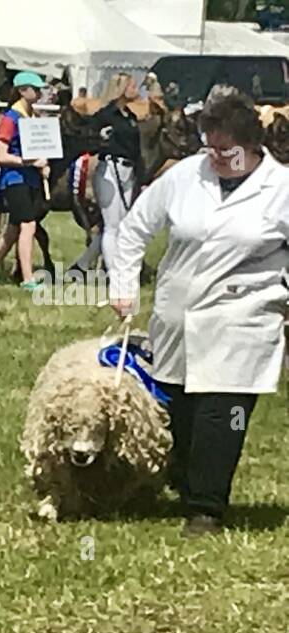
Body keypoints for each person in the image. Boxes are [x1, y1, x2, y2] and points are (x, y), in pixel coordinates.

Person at [109, 93, 289, 537]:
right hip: (178, 314)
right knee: (181, 409)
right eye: (210, 146)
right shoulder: (186, 175)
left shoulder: (281, 189)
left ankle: (207, 507)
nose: (216, 157)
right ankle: (185, 483)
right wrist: (124, 286)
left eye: (226, 150)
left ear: (252, 146)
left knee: (224, 411)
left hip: (244, 316)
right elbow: (134, 229)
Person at [0, 72, 49, 289]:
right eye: (35, 89)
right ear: (22, 91)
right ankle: (28, 278)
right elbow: (1, 155)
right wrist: (29, 163)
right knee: (28, 225)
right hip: (14, 179)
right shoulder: (11, 119)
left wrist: (43, 163)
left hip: (30, 180)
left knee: (14, 228)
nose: (40, 92)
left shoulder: (33, 117)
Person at [89, 73, 143, 278]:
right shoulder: (106, 115)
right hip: (111, 169)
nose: (136, 89)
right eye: (131, 85)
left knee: (121, 223)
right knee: (112, 225)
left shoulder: (130, 116)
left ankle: (82, 265)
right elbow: (90, 134)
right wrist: (101, 138)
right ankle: (115, 275)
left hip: (128, 171)